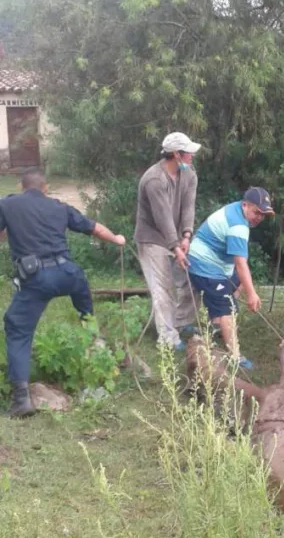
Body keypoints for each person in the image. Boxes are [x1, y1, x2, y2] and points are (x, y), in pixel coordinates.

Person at [1, 168, 126, 418]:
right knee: (86, 314)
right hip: (69, 274)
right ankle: (98, 349)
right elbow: (95, 228)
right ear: (46, 187)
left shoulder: (8, 205)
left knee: (16, 327)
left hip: (37, 278)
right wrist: (117, 240)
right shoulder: (59, 206)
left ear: (21, 186)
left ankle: (21, 398)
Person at [187, 187, 275, 369]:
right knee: (227, 308)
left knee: (239, 283)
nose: (259, 217)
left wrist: (246, 288)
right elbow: (241, 264)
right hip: (204, 267)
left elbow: (241, 265)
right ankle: (234, 356)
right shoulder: (238, 226)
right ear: (245, 205)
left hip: (219, 266)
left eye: (263, 214)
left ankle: (216, 323)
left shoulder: (237, 210)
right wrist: (252, 295)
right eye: (256, 212)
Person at [134, 131, 200, 350]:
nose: (192, 156)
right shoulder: (154, 180)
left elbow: (188, 207)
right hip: (152, 238)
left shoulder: (189, 174)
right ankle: (168, 338)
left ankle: (180, 322)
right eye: (188, 152)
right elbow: (162, 218)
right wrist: (175, 247)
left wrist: (187, 237)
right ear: (175, 154)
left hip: (177, 237)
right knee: (164, 288)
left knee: (191, 279)